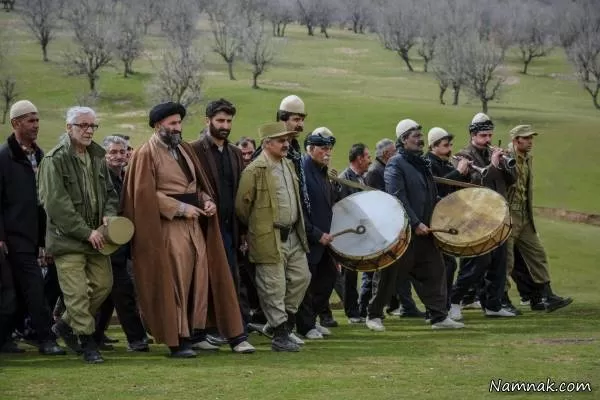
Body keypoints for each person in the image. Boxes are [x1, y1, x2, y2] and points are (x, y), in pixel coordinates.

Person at [122, 102, 254, 358]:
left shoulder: (183, 149)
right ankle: (178, 339)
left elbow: (197, 184)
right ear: (158, 125)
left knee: (200, 279)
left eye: (179, 123)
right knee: (176, 282)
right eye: (172, 124)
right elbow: (144, 195)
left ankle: (196, 332)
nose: (177, 128)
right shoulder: (145, 153)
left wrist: (206, 200)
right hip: (168, 229)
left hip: (195, 226)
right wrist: (180, 209)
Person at [38, 106, 119, 363]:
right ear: (68, 127)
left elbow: (110, 193)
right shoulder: (54, 160)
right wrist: (86, 232)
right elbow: (56, 205)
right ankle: (86, 342)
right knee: (76, 294)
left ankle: (63, 326)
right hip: (67, 239)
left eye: (92, 126)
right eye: (82, 125)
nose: (88, 130)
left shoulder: (98, 156)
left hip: (98, 237)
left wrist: (109, 215)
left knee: (104, 285)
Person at [366, 119, 464, 332]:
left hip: (425, 231)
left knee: (435, 270)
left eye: (421, 135)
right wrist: (415, 222)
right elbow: (397, 197)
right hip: (404, 232)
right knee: (390, 274)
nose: (421, 140)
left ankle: (438, 316)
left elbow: (429, 194)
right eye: (416, 136)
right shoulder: (395, 163)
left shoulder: (420, 163)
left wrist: (440, 209)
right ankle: (374, 315)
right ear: (403, 140)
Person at [236, 122, 311, 352]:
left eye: (287, 140)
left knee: (301, 277)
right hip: (269, 235)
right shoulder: (254, 170)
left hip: (293, 235)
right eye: (280, 140)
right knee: (273, 285)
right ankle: (280, 334)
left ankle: (280, 325)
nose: (286, 144)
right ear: (267, 143)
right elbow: (242, 207)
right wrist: (255, 231)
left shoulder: (288, 165)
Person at [0, 100, 65, 355]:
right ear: (16, 123)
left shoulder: (40, 156)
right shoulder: (4, 158)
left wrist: (46, 240)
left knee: (18, 293)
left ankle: (6, 339)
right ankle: (45, 339)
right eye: (30, 120)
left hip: (36, 237)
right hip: (13, 237)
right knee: (33, 289)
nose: (36, 125)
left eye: (37, 120)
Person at [190, 99, 250, 345]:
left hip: (231, 229)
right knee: (204, 281)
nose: (225, 126)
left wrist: (243, 233)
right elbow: (190, 187)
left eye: (228, 121)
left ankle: (228, 329)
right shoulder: (193, 150)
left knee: (231, 279)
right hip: (204, 228)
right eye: (220, 121)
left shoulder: (236, 153)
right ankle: (203, 331)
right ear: (208, 121)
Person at [449, 113, 518, 321]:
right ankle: (454, 301)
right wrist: (494, 165)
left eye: (490, 135)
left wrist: (503, 163)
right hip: (476, 217)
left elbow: (512, 179)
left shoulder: (494, 153)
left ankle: (493, 305)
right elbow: (476, 182)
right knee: (476, 263)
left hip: (499, 215)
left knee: (499, 262)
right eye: (483, 135)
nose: (488, 139)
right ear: (473, 135)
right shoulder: (462, 156)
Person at [505, 125, 572, 312]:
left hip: (525, 216)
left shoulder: (526, 159)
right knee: (507, 261)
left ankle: (548, 295)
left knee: (538, 254)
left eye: (531, 138)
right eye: (526, 138)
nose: (530, 142)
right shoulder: (505, 158)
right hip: (509, 214)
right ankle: (500, 300)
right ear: (516, 140)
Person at [93, 135, 149, 352]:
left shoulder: (125, 176)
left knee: (109, 296)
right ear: (105, 155)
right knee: (123, 291)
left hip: (121, 244)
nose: (118, 156)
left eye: (121, 152)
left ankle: (95, 336)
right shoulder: (101, 178)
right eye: (113, 152)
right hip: (107, 243)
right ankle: (137, 339)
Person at [365, 138, 424, 319]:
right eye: (394, 152)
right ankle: (369, 309)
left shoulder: (384, 168)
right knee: (378, 275)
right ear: (386, 154)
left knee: (398, 271)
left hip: (395, 225)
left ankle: (404, 306)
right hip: (384, 227)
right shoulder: (375, 171)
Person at [295, 127, 338, 340]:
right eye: (323, 148)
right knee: (307, 284)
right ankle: (305, 326)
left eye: (329, 148)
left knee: (328, 278)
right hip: (309, 239)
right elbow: (300, 210)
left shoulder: (322, 172)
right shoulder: (302, 171)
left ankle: (312, 320)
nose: (327, 152)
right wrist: (316, 233)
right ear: (310, 149)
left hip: (325, 240)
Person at [424, 127, 470, 311]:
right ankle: (441, 305)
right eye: (445, 145)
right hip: (433, 220)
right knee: (445, 264)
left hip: (446, 219)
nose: (450, 148)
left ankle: (445, 303)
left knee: (448, 264)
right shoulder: (428, 162)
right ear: (433, 146)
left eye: (450, 144)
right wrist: (458, 173)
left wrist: (462, 175)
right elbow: (437, 185)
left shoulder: (446, 163)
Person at [337, 143, 371, 324]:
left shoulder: (361, 178)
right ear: (359, 159)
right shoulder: (344, 179)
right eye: (367, 156)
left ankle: (361, 308)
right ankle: (352, 312)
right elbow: (343, 208)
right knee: (349, 275)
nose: (369, 160)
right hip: (350, 234)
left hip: (362, 233)